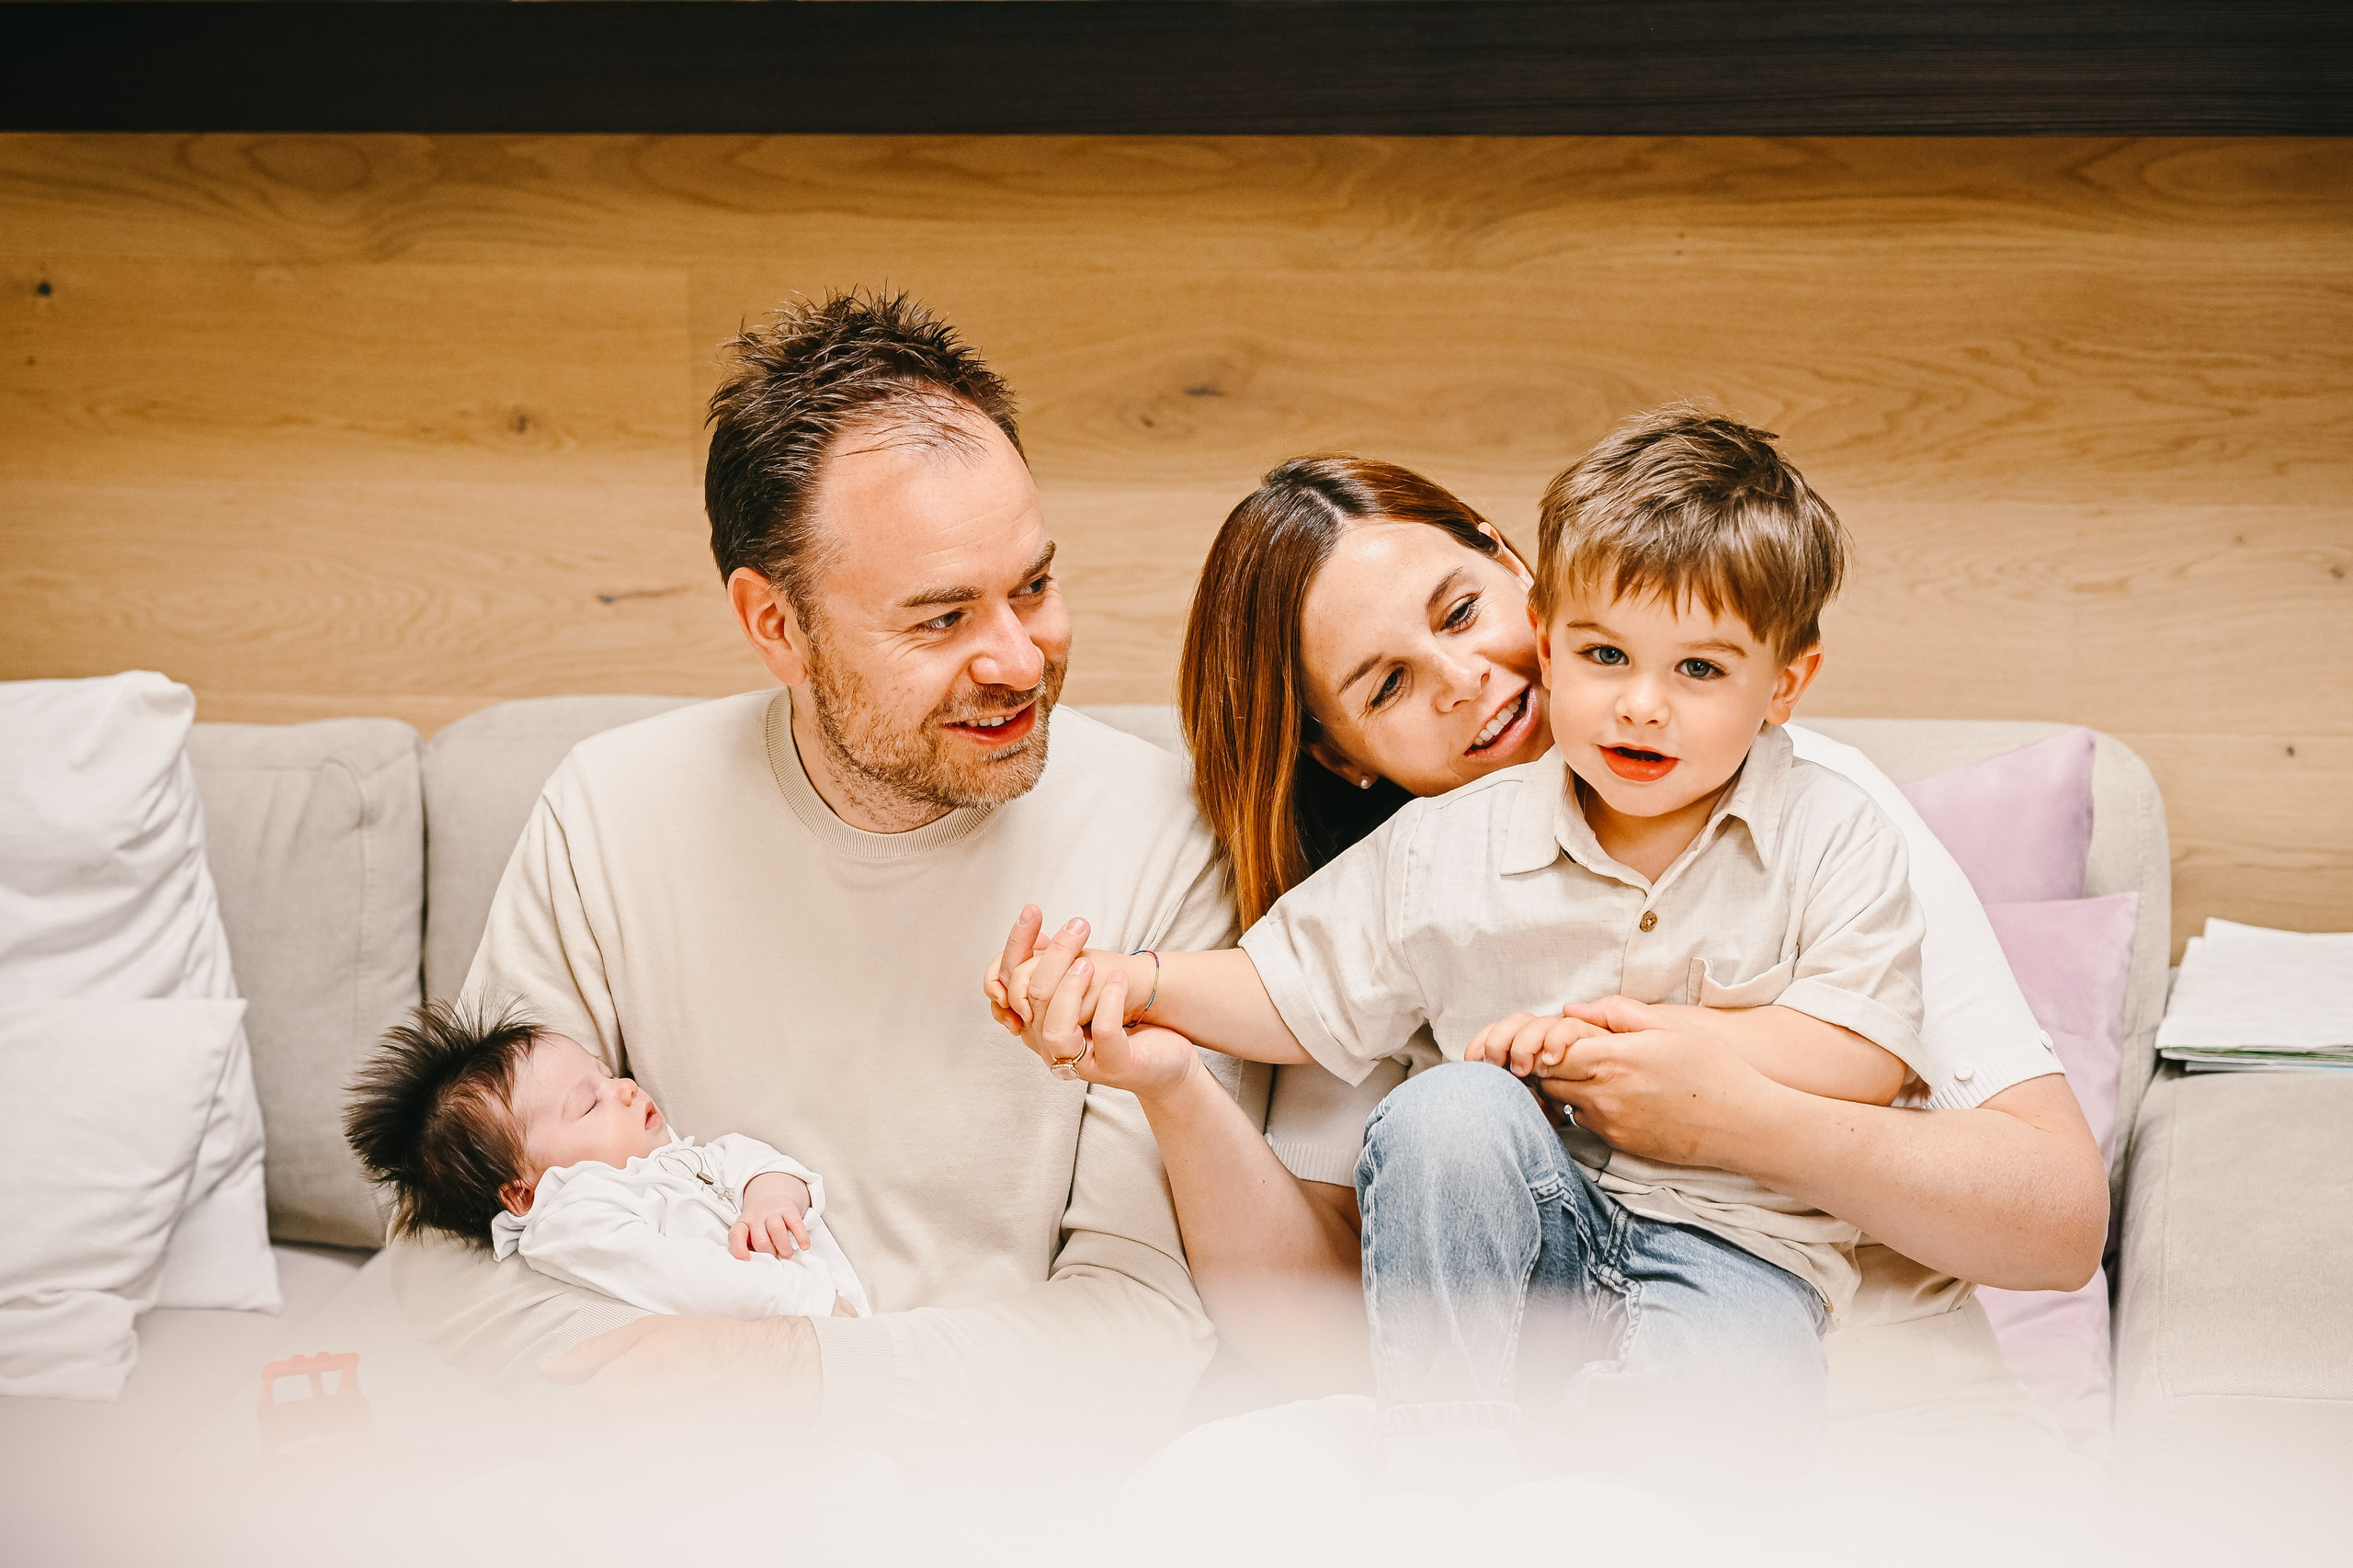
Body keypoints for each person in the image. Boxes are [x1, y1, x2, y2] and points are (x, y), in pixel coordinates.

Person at [993, 442, 2109, 1460]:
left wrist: (1722, 1102)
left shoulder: (1818, 810)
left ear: (1520, 570)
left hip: (1865, 1397)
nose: (1465, 677)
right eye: (1387, 684)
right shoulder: (1416, 881)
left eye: (1463, 610)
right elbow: (1325, 1306)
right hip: (1534, 1433)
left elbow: (2056, 1218)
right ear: (1340, 756)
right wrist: (1155, 1029)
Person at [385, 290, 1237, 1435]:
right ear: (775, 624)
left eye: (1032, 584)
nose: (1021, 656)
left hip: (1003, 1481)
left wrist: (805, 1376)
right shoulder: (610, 808)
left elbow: (1147, 1318)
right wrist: (695, 1404)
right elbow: (459, 1254)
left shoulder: (1167, 831)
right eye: (940, 619)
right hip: (690, 1477)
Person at [347, 999, 867, 1322]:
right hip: (783, 1346)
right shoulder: (576, 1216)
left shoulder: (682, 1158)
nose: (623, 1088)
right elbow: (681, 1277)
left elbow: (754, 1158)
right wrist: (804, 1300)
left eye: (606, 1073)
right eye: (589, 1102)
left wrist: (770, 1198)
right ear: (524, 1191)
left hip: (836, 1323)